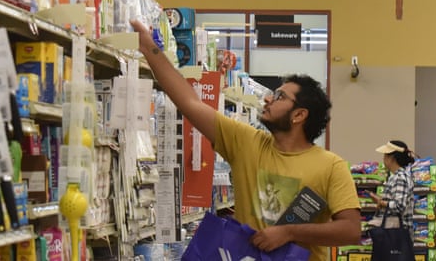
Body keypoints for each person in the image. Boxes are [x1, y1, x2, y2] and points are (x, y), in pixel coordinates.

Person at [131, 20, 361, 261]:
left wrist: (289, 232)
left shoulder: (331, 166)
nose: (268, 99)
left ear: (299, 115)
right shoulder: (246, 142)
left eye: (280, 96)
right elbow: (190, 102)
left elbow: (351, 230)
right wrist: (149, 49)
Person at [371, 141, 415, 228]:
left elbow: (399, 206)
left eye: (385, 155)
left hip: (396, 232)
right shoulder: (395, 176)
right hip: (392, 231)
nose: (383, 158)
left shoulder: (400, 177)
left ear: (392, 158)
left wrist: (381, 202)